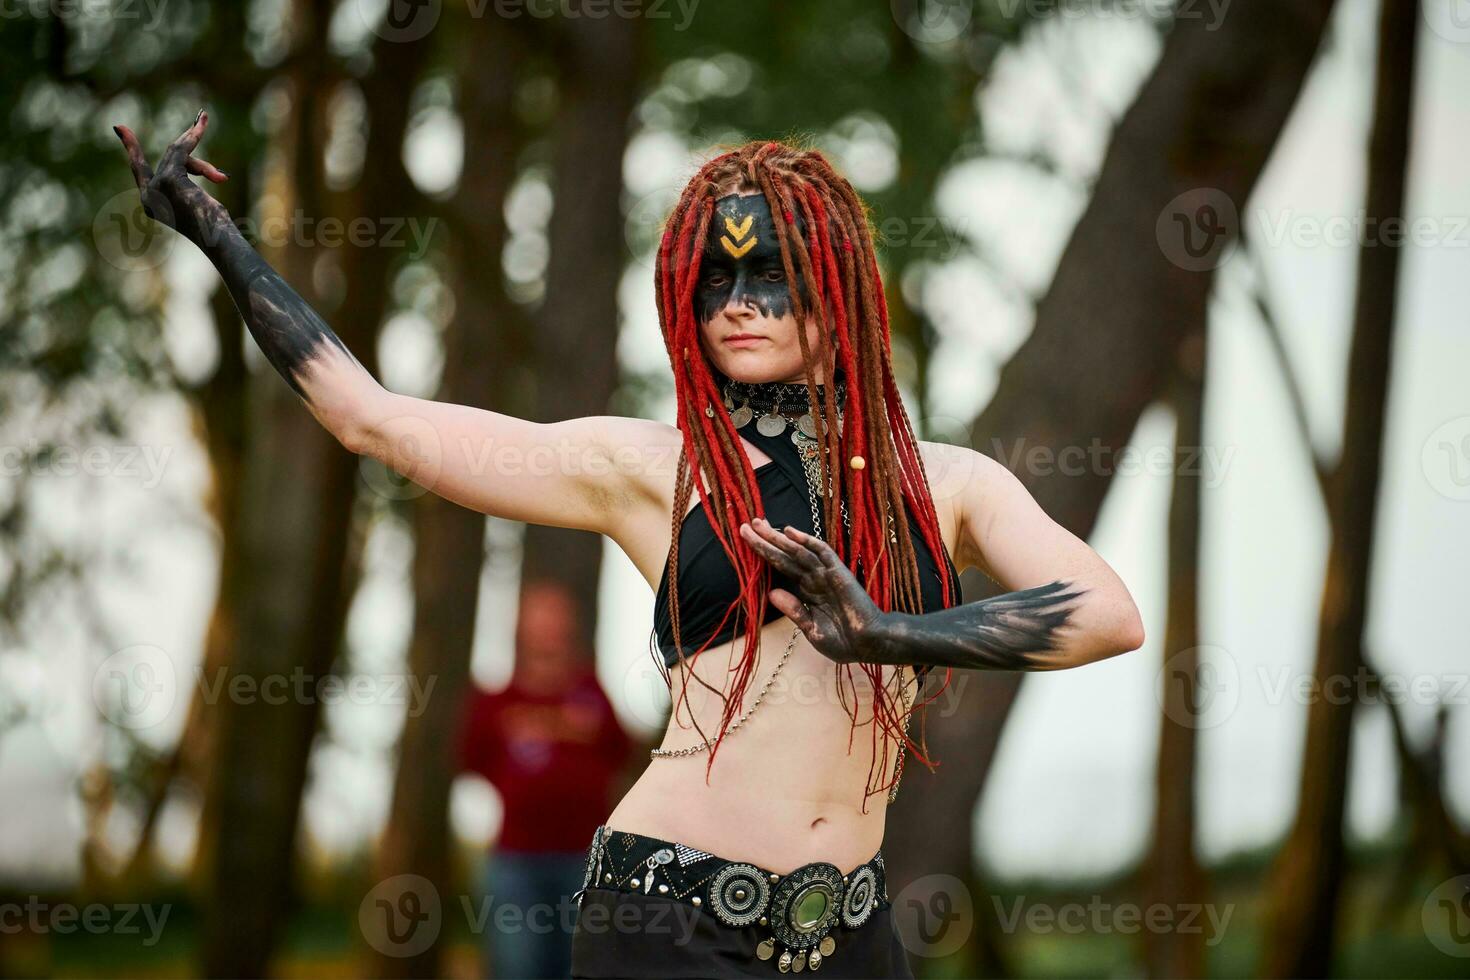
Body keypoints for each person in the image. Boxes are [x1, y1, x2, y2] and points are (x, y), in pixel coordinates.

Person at [114, 114, 1146, 978]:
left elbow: (1111, 614)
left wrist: (893, 631)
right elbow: (374, 420)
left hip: (855, 929)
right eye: (714, 278)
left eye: (773, 274)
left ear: (838, 284)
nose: (737, 302)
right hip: (670, 918)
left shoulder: (951, 482)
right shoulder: (654, 467)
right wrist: (217, 233)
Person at [459, 580, 633, 979]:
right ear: (522, 627)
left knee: (579, 966)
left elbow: (620, 754)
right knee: (517, 965)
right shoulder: (496, 701)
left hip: (585, 863)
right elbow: (472, 760)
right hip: (516, 861)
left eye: (556, 617)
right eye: (539, 617)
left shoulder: (592, 692)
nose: (548, 627)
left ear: (569, 625)